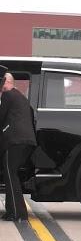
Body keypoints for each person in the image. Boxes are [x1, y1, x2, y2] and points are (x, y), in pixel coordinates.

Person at [0, 71, 37, 222]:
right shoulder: (21, 97)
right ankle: (13, 212)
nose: (1, 86)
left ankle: (17, 213)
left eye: (2, 82)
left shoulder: (8, 95)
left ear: (8, 82)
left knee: (10, 175)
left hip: (15, 141)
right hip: (26, 142)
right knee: (12, 176)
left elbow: (1, 117)